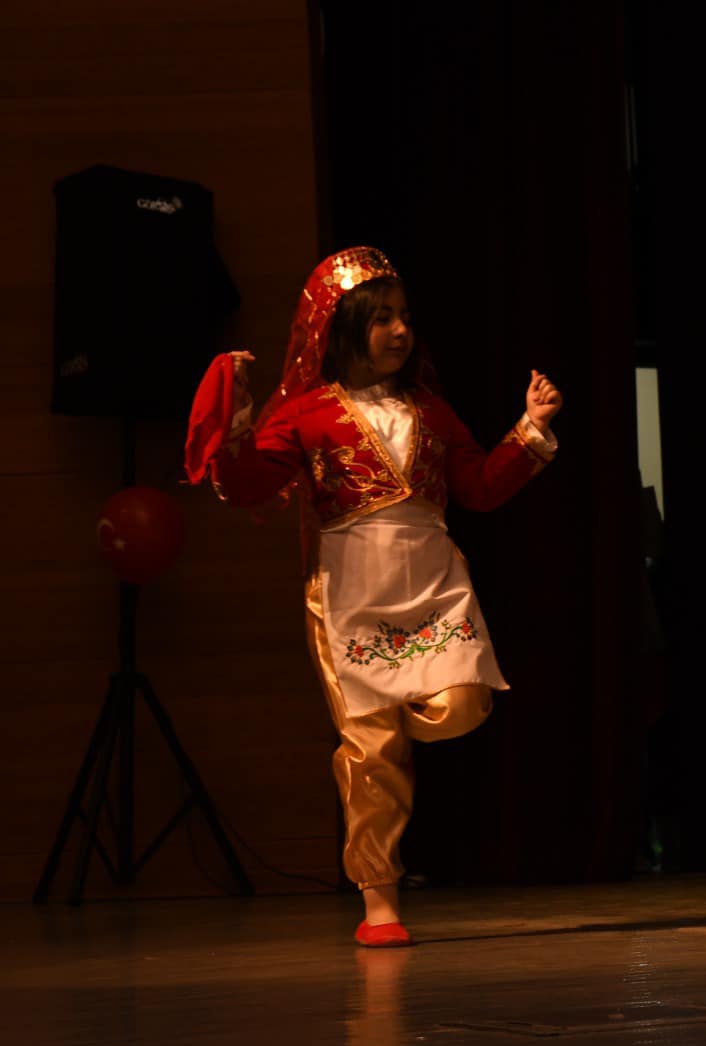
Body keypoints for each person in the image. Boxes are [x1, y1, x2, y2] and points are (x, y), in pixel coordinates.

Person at [184, 247, 562, 946]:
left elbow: (479, 488)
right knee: (371, 748)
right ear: (344, 326)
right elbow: (247, 486)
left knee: (464, 703)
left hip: (434, 587)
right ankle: (379, 899)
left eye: (405, 317)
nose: (400, 331)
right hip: (350, 591)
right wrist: (233, 421)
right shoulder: (307, 414)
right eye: (383, 317)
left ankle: (391, 729)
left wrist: (531, 429)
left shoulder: (430, 410)